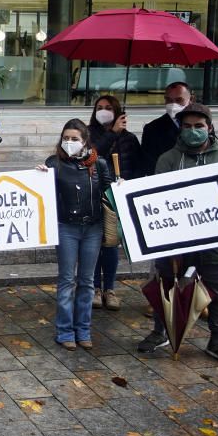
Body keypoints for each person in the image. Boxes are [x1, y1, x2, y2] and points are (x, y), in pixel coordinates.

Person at [136, 103, 218, 370]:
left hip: (215, 239)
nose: (193, 131)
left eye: (199, 126)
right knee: (166, 285)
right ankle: (161, 332)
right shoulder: (167, 159)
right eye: (187, 126)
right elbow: (157, 195)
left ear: (209, 127)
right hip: (175, 240)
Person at [36, 119, 112, 351]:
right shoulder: (54, 163)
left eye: (74, 139)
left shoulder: (98, 164)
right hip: (66, 227)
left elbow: (109, 191)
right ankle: (65, 331)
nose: (69, 143)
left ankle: (84, 330)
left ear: (85, 141)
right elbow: (41, 192)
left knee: (87, 282)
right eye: (65, 138)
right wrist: (39, 176)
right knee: (67, 280)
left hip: (93, 227)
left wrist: (121, 187)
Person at [87, 95, 142, 310]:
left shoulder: (129, 139)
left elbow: (138, 165)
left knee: (110, 244)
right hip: (94, 195)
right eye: (99, 107)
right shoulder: (89, 134)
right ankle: (95, 287)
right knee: (94, 244)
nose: (103, 111)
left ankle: (109, 288)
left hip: (116, 198)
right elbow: (91, 155)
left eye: (108, 108)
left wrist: (129, 183)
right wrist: (112, 134)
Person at [140, 81, 192, 176]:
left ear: (190, 99)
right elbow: (148, 165)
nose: (173, 105)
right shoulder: (152, 129)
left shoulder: (201, 124)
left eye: (179, 100)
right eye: (168, 100)